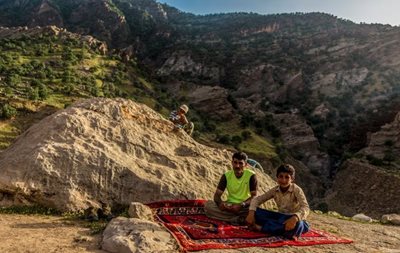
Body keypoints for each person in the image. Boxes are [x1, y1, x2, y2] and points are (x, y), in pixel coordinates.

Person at [245, 163, 310, 240]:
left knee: (300, 224)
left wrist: (295, 218)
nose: (283, 180)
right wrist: (251, 212)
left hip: (293, 218)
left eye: (287, 177)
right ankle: (283, 231)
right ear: (277, 178)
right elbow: (257, 199)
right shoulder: (275, 190)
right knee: (255, 212)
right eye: (281, 177)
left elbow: (306, 207)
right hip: (280, 218)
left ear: (292, 179)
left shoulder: (296, 190)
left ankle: (261, 228)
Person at [204, 151, 258, 225]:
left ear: (245, 165)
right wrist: (220, 204)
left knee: (255, 211)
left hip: (244, 206)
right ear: (232, 162)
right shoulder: (226, 176)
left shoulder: (251, 176)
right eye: (235, 162)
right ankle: (237, 219)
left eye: (240, 163)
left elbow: (254, 197)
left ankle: (233, 218)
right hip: (230, 206)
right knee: (208, 206)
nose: (237, 166)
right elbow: (217, 195)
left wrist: (241, 205)